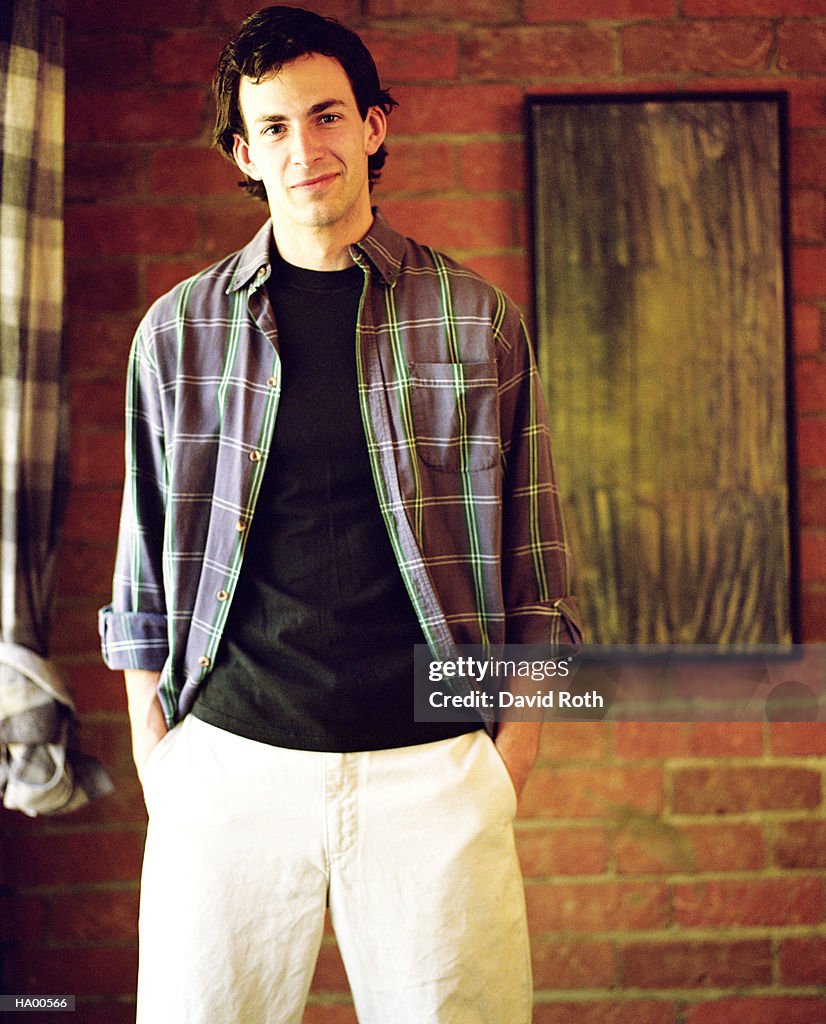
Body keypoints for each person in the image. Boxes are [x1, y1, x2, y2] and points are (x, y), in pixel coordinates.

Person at [99, 6, 580, 1022]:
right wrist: (158, 754)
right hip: (227, 767)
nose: (303, 147)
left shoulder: (475, 318)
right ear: (240, 149)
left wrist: (507, 759)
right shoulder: (178, 331)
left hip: (432, 768)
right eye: (271, 126)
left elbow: (536, 562)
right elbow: (143, 571)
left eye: (326, 116)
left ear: (374, 124)